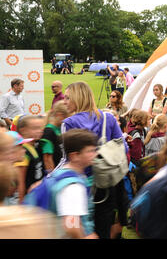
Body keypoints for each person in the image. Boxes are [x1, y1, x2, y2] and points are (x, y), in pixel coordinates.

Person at [61, 81, 128, 239]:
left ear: (78, 98)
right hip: (106, 182)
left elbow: (66, 159)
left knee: (81, 229)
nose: (64, 102)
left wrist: (50, 178)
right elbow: (123, 148)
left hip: (80, 184)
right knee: (103, 229)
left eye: (68, 98)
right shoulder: (108, 118)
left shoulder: (69, 123)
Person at [46, 129, 99, 239]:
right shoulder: (73, 186)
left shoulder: (61, 173)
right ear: (74, 156)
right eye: (90, 151)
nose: (95, 154)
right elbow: (71, 225)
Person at [13, 115, 44, 204]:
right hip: (27, 198)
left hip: (35, 195)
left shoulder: (34, 146)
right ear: (23, 130)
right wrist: (21, 202)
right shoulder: (23, 151)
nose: (40, 131)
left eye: (40, 128)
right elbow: (20, 181)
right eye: (35, 128)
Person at [38, 101, 69, 173]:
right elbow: (47, 159)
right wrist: (53, 177)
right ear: (60, 115)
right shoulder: (48, 132)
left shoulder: (58, 129)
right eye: (68, 117)